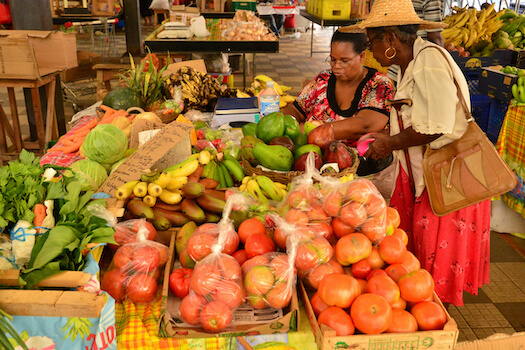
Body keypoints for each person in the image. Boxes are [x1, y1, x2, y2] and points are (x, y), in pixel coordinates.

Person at [341, 0, 491, 306]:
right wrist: (389, 134)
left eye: (372, 42)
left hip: (447, 177)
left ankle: (434, 322)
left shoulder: (429, 61)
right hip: (426, 173)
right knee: (415, 263)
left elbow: (437, 124)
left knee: (429, 274)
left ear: (392, 39)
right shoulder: (409, 63)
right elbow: (419, 116)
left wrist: (390, 143)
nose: (370, 52)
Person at [281, 30, 396, 198]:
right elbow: (296, 109)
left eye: (344, 60)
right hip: (315, 174)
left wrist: (318, 132)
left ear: (362, 56)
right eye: (333, 59)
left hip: (363, 178)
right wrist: (284, 124)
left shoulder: (379, 85)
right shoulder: (323, 80)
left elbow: (365, 123)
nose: (336, 66)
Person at [387, 0, 445, 82]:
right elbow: (435, 36)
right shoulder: (433, 1)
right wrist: (443, 68)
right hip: (418, 68)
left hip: (399, 64)